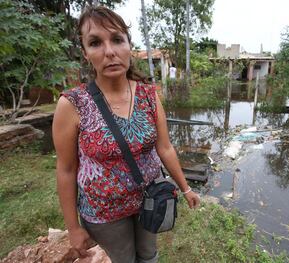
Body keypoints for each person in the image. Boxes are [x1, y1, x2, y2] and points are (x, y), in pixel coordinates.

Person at [52, 6, 200, 263]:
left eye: (117, 39)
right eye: (96, 42)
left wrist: (186, 189)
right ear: (86, 53)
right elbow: (66, 169)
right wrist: (73, 228)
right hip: (104, 210)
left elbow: (164, 148)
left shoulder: (148, 95)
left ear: (129, 46)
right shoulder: (72, 104)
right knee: (123, 259)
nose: (109, 52)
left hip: (149, 198)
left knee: (149, 254)